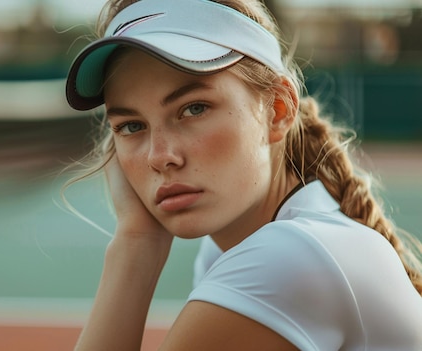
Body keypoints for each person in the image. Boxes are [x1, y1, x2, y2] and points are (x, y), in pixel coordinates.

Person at [63, 0, 422, 349]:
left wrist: (134, 249)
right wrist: (138, 237)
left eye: (194, 108)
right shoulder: (227, 249)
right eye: (131, 126)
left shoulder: (288, 258)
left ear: (278, 110)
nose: (160, 157)